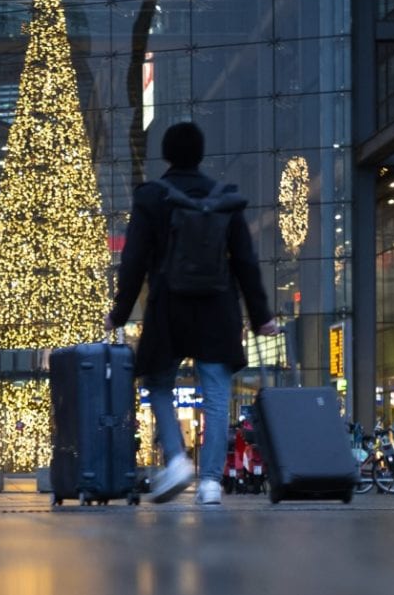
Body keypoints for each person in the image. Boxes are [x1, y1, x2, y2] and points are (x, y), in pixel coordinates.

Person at [105, 122, 278, 505]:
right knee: (216, 396)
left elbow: (132, 262)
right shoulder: (224, 197)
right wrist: (261, 314)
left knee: (158, 384)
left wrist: (119, 313)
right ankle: (211, 482)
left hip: (169, 307)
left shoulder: (152, 197)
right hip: (218, 309)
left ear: (166, 154)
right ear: (200, 154)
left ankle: (178, 459)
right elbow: (246, 262)